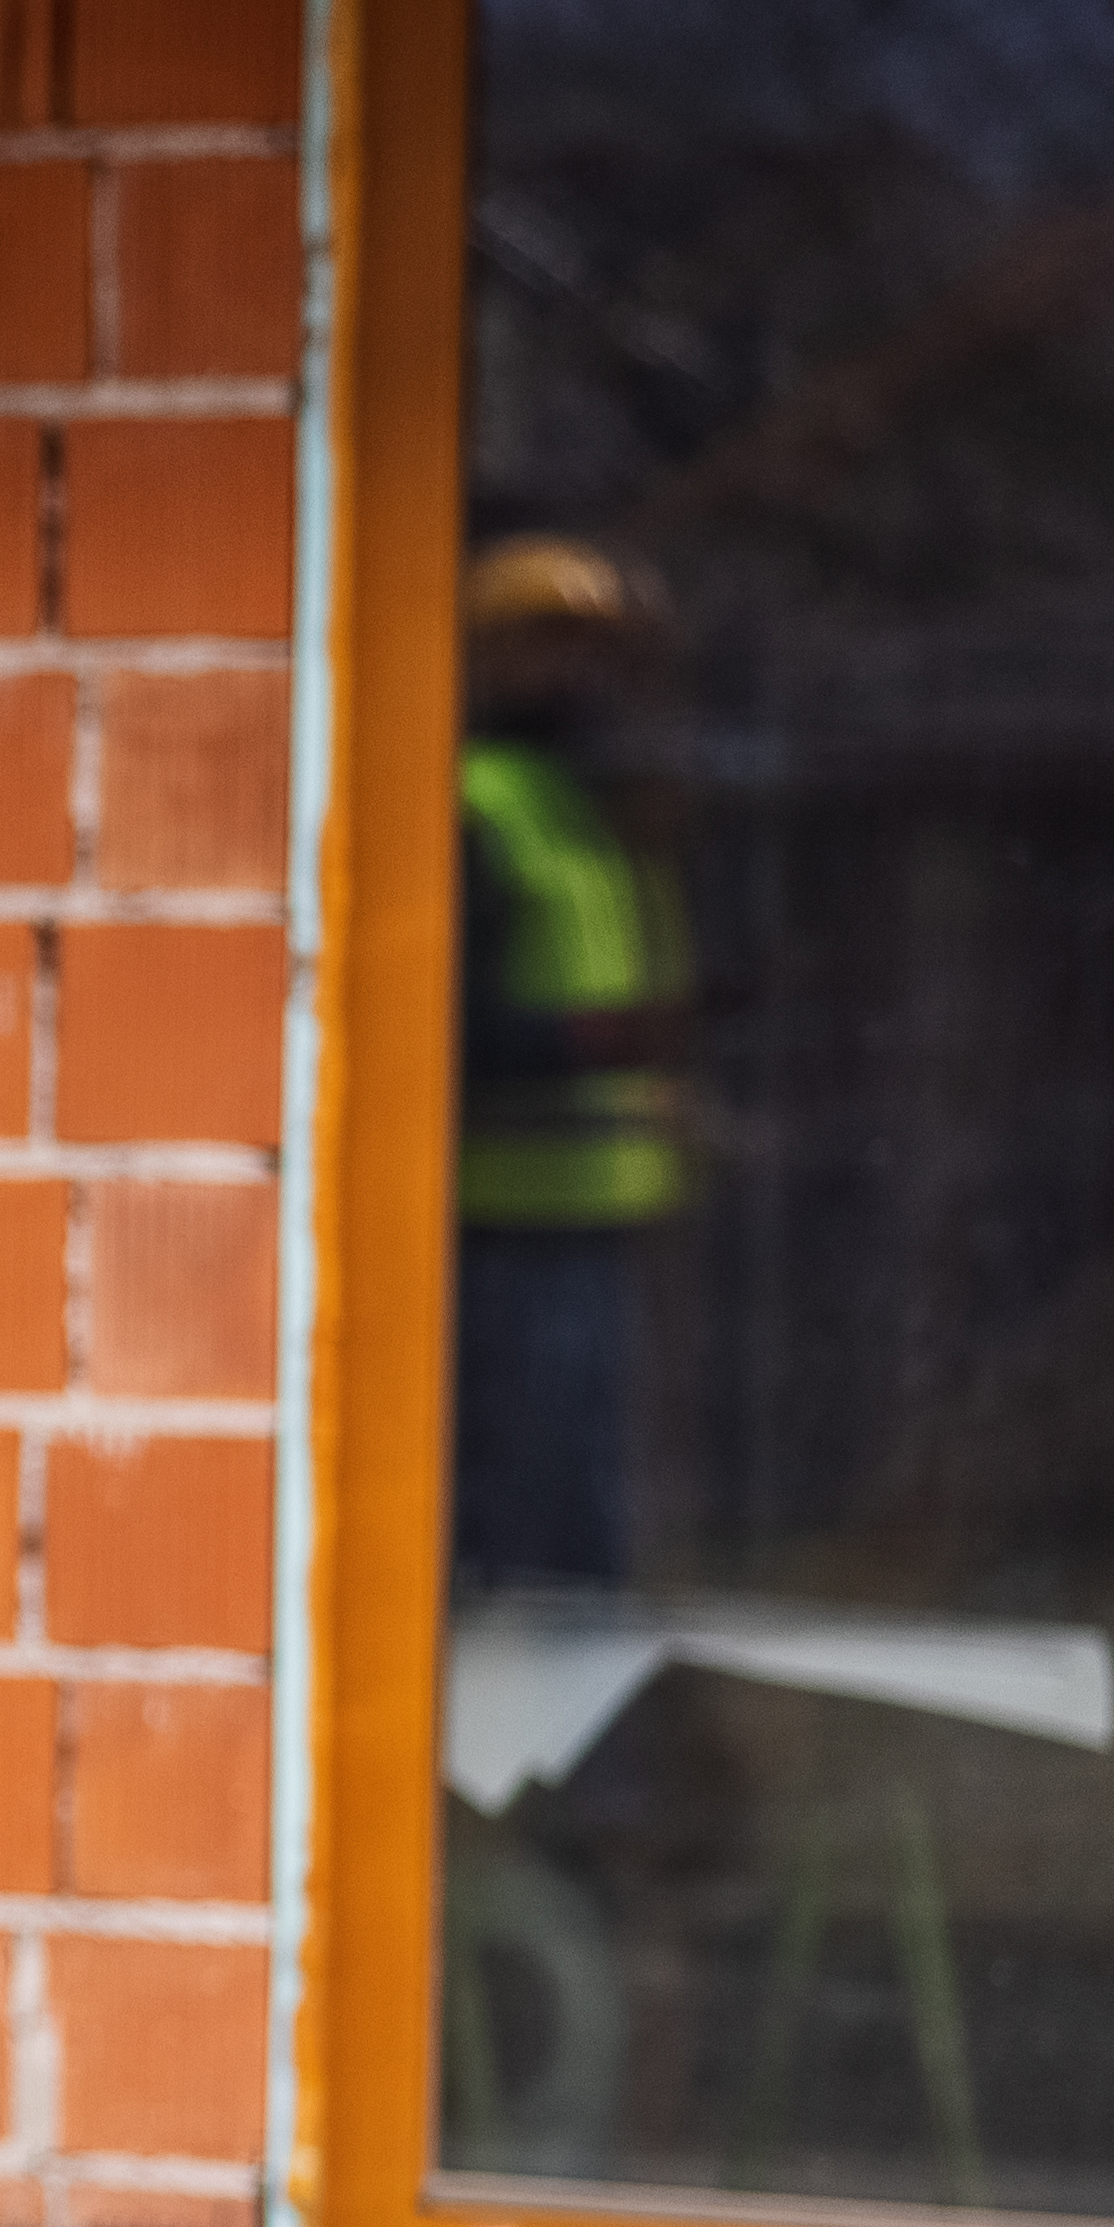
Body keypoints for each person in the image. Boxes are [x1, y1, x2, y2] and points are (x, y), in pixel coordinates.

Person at [451, 529, 691, 1599]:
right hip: (503, 1224)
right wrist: (598, 1044)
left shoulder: (588, 803)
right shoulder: (469, 800)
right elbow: (440, 1020)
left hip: (596, 1216)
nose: (579, 674)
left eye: (596, 650)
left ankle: (580, 1748)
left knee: (586, 1514)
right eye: (548, 645)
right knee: (529, 1520)